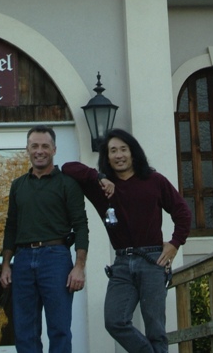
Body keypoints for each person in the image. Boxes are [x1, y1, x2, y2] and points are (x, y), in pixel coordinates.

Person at [62, 128, 191, 353]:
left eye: (123, 149)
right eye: (113, 151)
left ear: (133, 153)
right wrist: (99, 177)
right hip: (121, 264)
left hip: (153, 260)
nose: (119, 155)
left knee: (155, 328)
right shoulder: (100, 186)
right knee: (115, 321)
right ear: (107, 157)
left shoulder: (154, 180)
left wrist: (175, 243)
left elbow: (183, 212)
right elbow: (67, 167)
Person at [0, 125, 89, 353]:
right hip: (22, 260)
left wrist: (79, 266)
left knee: (59, 329)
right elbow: (11, 226)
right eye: (35, 146)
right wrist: (6, 265)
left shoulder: (67, 184)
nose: (40, 151)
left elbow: (81, 226)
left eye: (45, 146)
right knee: (25, 330)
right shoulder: (18, 185)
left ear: (54, 149)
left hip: (56, 259)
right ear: (27, 149)